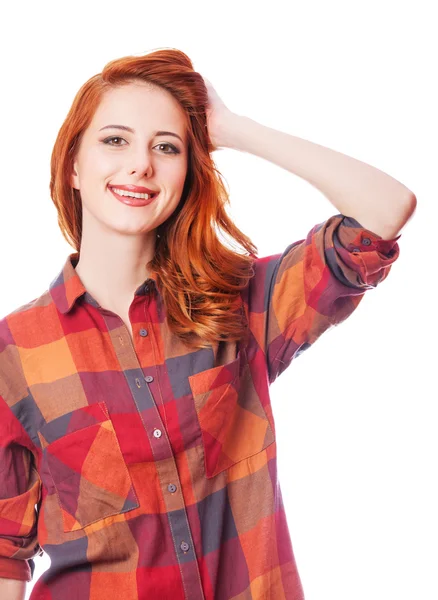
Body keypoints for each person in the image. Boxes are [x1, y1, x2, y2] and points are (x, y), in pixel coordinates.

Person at [0, 48, 415, 600]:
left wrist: (232, 128)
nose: (140, 165)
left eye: (166, 147)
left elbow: (384, 213)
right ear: (74, 164)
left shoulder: (238, 305)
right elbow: (6, 552)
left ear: (189, 170)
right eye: (115, 140)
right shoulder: (15, 353)